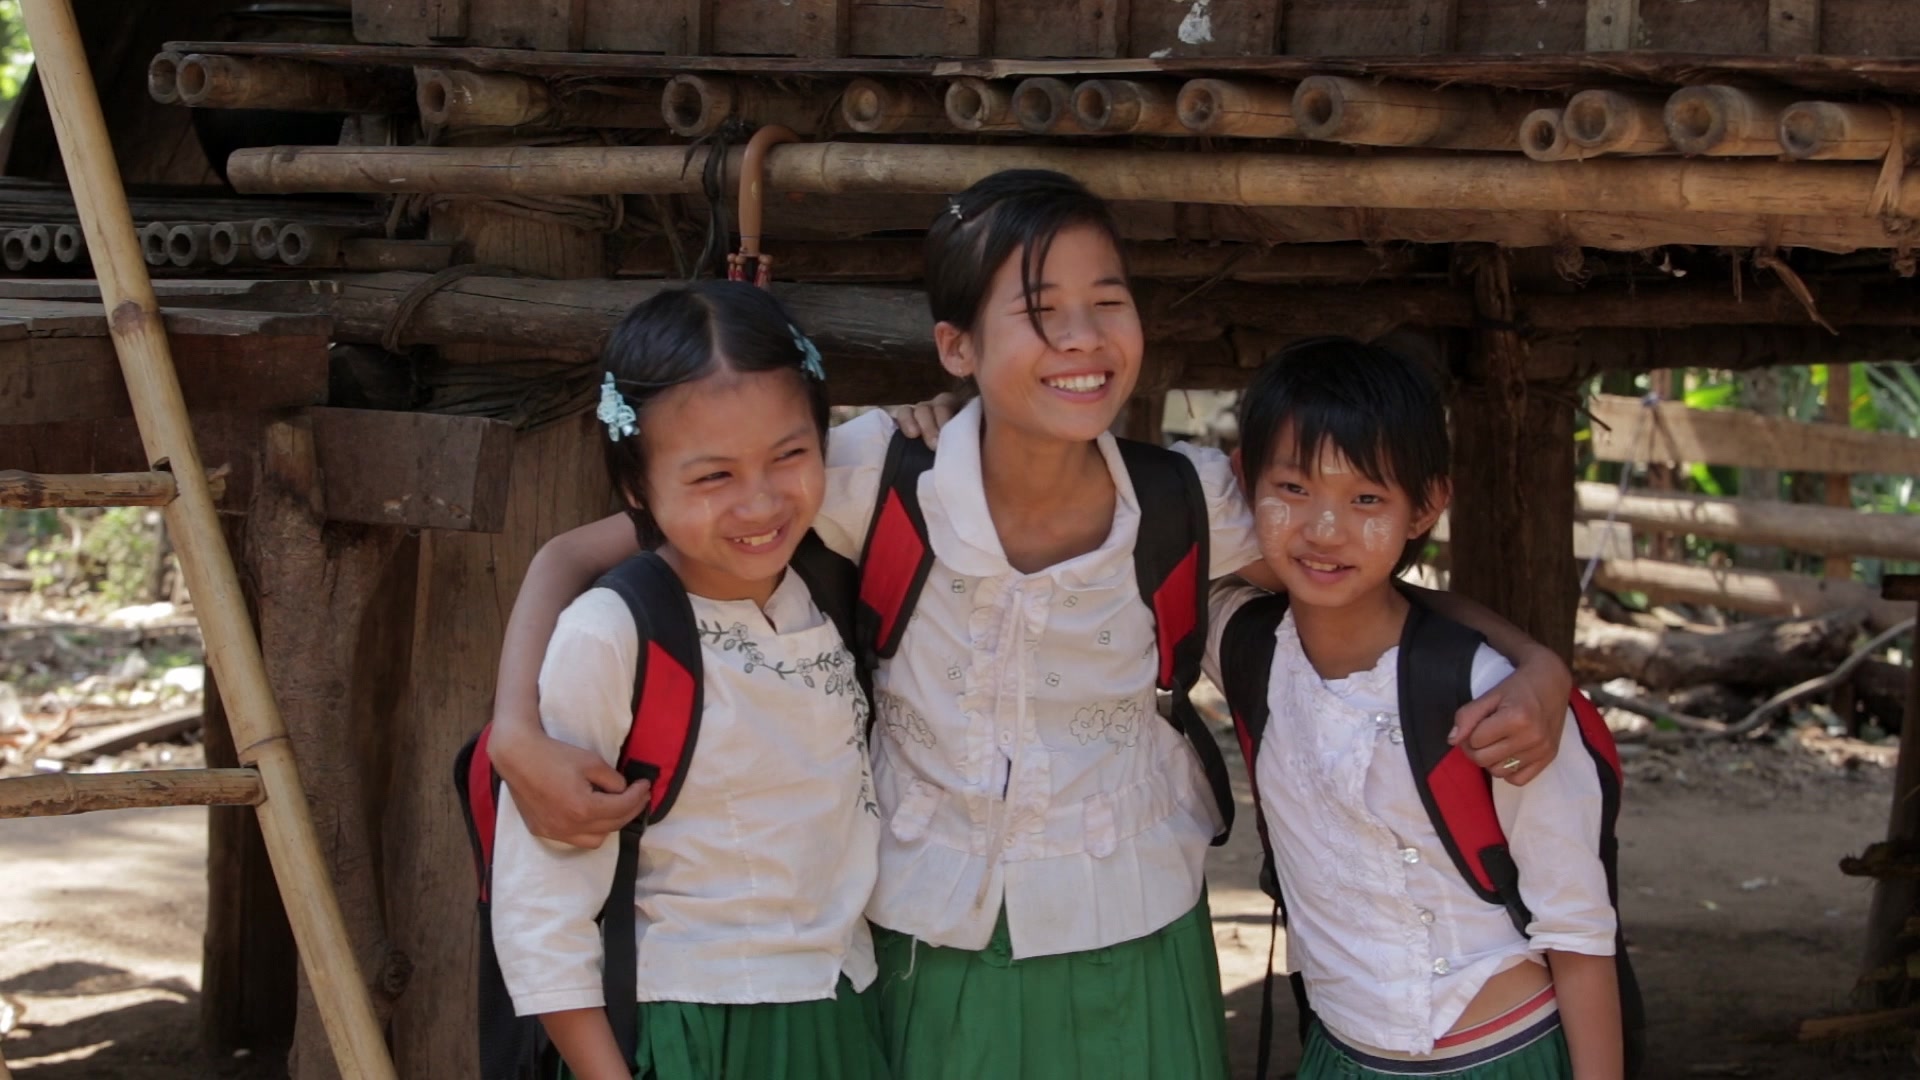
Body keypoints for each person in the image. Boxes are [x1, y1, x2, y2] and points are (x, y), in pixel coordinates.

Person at [488, 171, 1572, 1078]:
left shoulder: (1197, 499)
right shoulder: (872, 472)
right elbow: (580, 552)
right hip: (926, 946)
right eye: (1041, 310)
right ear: (955, 346)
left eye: (1109, 300)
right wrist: (514, 731)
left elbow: (1363, 570)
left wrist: (1537, 665)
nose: (1083, 338)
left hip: (1135, 935)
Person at [487, 281, 889, 1080]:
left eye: (790, 454)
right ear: (638, 489)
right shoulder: (611, 635)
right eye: (712, 478)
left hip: (840, 1008)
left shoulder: (828, 587)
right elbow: (541, 910)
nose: (761, 501)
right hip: (691, 1028)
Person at [1208, 337, 1621, 1079]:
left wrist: (1536, 668)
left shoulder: (1494, 700)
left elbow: (1581, 938)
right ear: (1245, 483)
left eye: (1367, 498)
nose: (1325, 530)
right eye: (1294, 489)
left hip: (1502, 1058)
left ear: (1427, 504)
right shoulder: (1242, 643)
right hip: (1340, 1055)